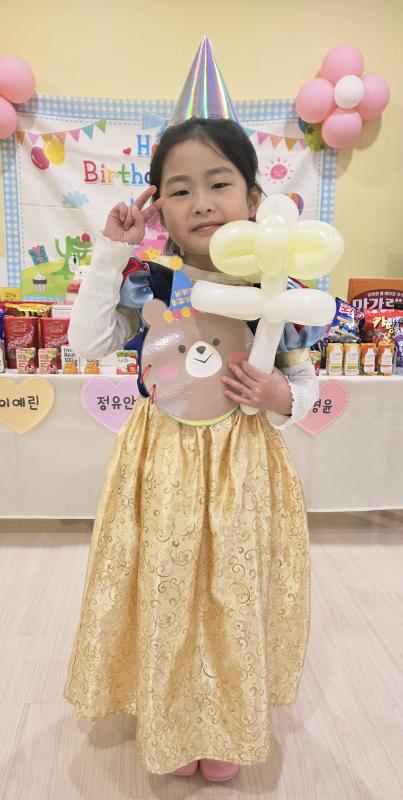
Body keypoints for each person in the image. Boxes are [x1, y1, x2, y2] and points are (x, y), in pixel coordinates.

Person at [65, 117, 320, 782]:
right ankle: (171, 716)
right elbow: (86, 343)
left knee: (231, 590)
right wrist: (111, 253)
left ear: (254, 198)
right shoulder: (149, 281)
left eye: (219, 183)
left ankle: (226, 721)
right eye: (179, 190)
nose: (201, 202)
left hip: (242, 465)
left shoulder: (276, 291)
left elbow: (304, 385)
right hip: (160, 464)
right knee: (166, 586)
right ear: (158, 207)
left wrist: (279, 395)